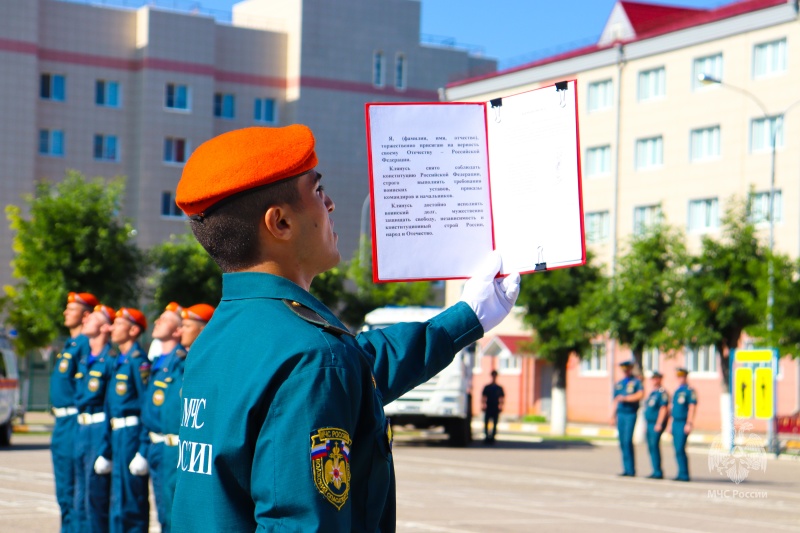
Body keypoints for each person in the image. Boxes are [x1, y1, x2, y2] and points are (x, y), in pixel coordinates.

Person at [170, 125, 520, 531]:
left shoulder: (221, 335)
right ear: (280, 222)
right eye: (317, 191)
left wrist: (469, 315)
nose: (330, 204)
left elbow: (361, 366)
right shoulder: (311, 355)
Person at [161, 303, 215, 533]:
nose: (180, 330)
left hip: (198, 452)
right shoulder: (184, 362)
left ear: (202, 330)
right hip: (174, 448)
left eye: (187, 325)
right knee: (168, 514)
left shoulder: (211, 363)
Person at [97, 308, 151, 533]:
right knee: (117, 501)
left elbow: (147, 406)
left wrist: (142, 449)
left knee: (131, 502)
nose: (111, 328)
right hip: (117, 434)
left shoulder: (139, 362)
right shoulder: (118, 361)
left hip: (131, 434)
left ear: (133, 330)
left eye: (118, 324)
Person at [133, 302, 184, 532]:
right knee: (163, 513)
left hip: (173, 449)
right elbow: (149, 412)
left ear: (177, 331)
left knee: (173, 514)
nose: (156, 322)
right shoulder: (157, 364)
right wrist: (144, 450)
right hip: (155, 447)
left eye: (164, 319)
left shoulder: (182, 362)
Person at [51, 291, 98, 532]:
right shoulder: (70, 345)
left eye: (72, 309)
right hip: (61, 423)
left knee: (73, 490)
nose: (65, 312)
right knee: (63, 490)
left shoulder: (84, 345)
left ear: (86, 314)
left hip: (73, 421)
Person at [74, 304, 116, 533]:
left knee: (95, 499)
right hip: (82, 430)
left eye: (93, 318)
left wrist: (105, 449)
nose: (86, 319)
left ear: (104, 327)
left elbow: (112, 406)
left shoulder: (110, 360)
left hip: (98, 431)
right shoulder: (84, 359)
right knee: (79, 497)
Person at [612, 359, 643, 477]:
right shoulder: (620, 383)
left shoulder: (636, 382)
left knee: (627, 440)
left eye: (627, 369)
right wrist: (612, 415)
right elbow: (615, 400)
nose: (626, 371)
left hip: (630, 413)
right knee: (621, 442)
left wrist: (626, 398)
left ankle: (631, 469)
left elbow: (640, 395)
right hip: (621, 414)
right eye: (624, 369)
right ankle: (626, 468)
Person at [670, 367, 697, 482]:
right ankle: (680, 473)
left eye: (682, 376)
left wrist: (689, 423)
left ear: (686, 377)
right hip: (675, 422)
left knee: (680, 448)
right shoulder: (677, 391)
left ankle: (684, 474)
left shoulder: (689, 391)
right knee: (676, 448)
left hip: (683, 422)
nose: (680, 378)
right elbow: (673, 408)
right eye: (678, 376)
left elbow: (692, 407)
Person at [643, 371, 669, 479]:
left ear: (660, 379)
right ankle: (655, 470)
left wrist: (659, 423)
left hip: (655, 424)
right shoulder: (652, 393)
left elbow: (663, 409)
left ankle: (658, 471)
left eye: (656, 378)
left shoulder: (662, 393)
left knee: (654, 446)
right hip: (649, 423)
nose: (654, 381)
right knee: (650, 447)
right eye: (652, 379)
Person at [481, 370, 505, 443]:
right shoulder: (487, 387)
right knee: (486, 423)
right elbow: (483, 397)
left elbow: (502, 398)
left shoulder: (499, 388)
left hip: (495, 407)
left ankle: (492, 437)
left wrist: (501, 406)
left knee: (495, 423)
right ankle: (486, 437)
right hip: (488, 407)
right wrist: (483, 405)